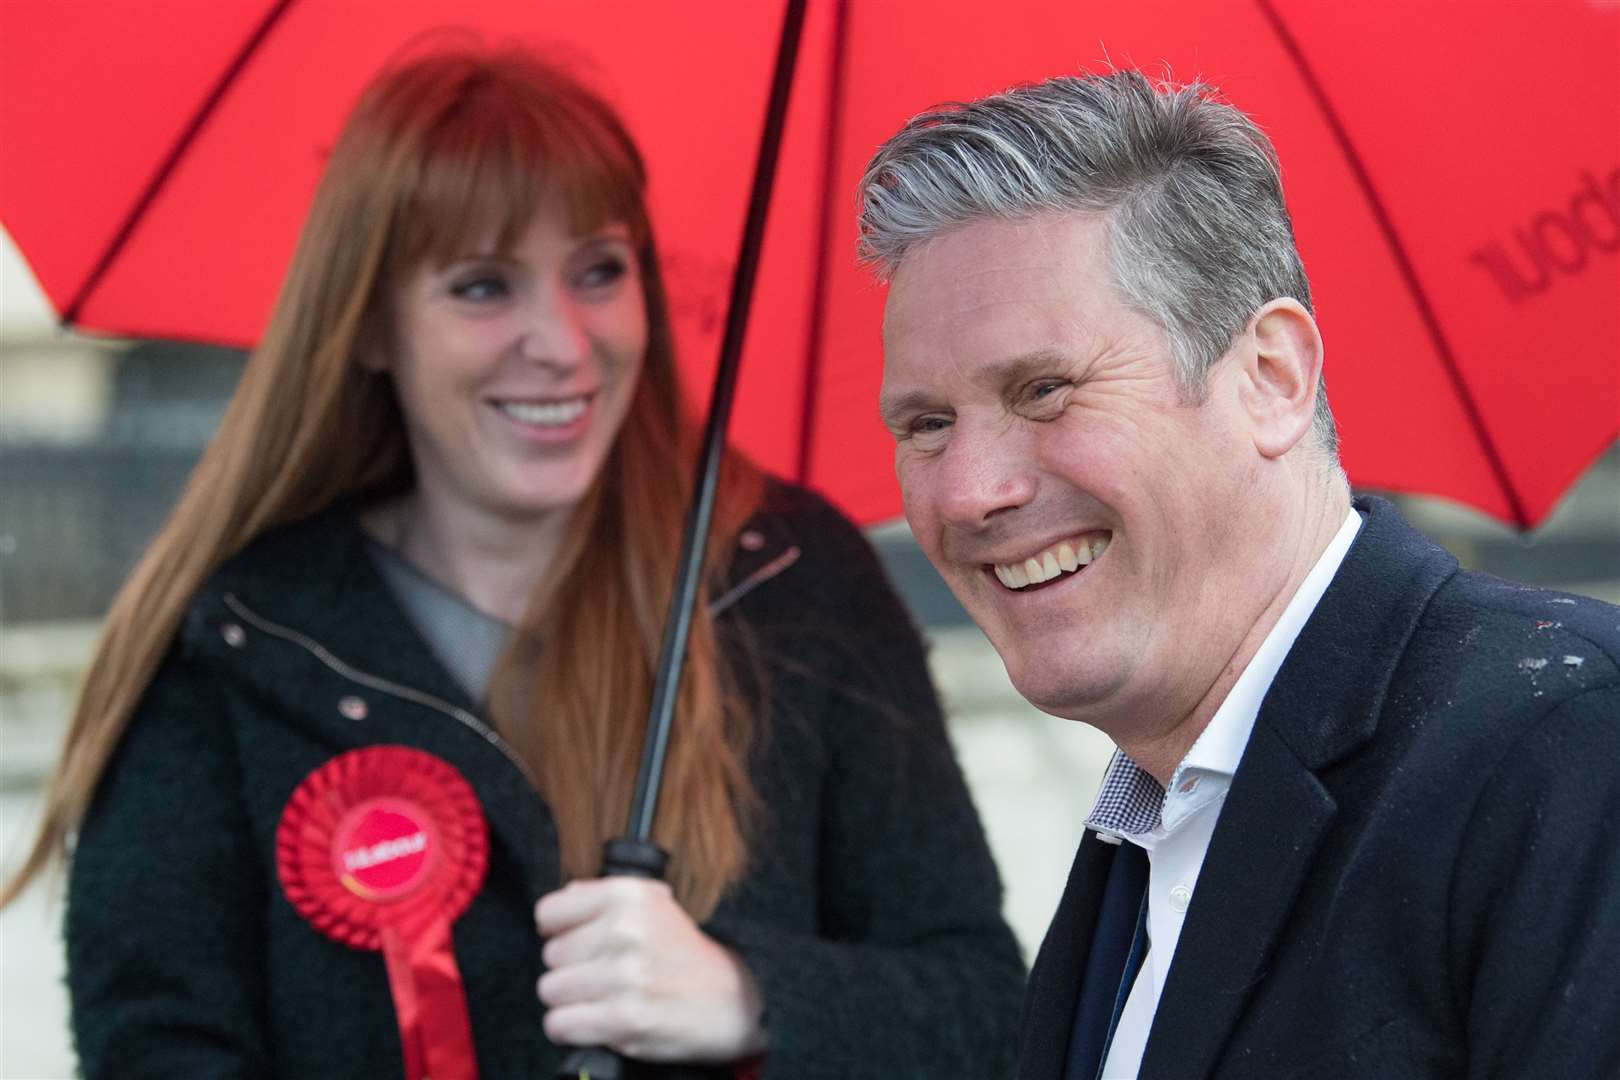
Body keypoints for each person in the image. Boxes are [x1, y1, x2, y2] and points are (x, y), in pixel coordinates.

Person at [0, 47, 1025, 1079]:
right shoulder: (233, 649)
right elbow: (157, 1046)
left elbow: (987, 1010)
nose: (563, 344)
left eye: (599, 271)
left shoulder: (792, 576)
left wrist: (748, 997)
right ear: (368, 328)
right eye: (483, 286)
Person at [857, 70, 1620, 1080]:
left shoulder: (1563, 739)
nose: (967, 492)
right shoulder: (1144, 839)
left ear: (1270, 377)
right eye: (926, 425)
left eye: (1044, 389)